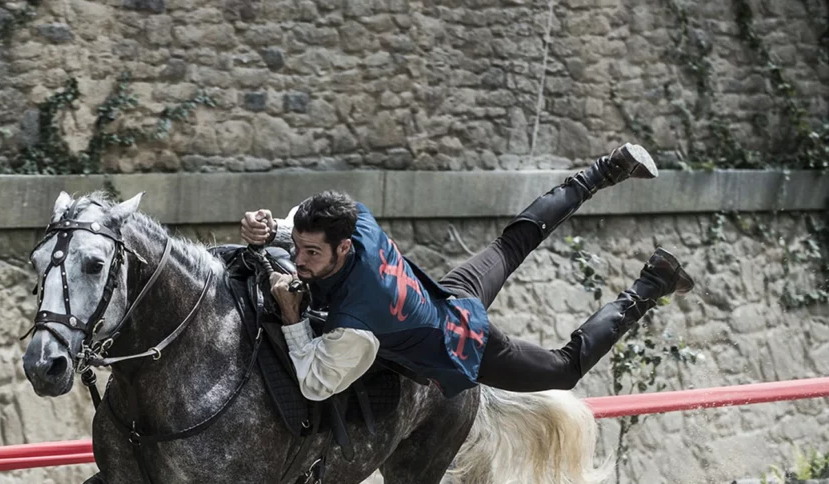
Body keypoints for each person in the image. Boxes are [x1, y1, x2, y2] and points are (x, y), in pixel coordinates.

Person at [239, 144, 694, 402]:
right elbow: (305, 220)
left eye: (311, 253)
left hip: (464, 345)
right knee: (512, 243)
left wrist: (294, 318)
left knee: (564, 370)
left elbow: (317, 386)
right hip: (448, 293)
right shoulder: (353, 217)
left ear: (343, 246)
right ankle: (606, 167)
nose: (299, 259)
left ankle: (652, 284)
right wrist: (273, 230)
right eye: (297, 247)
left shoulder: (356, 324)